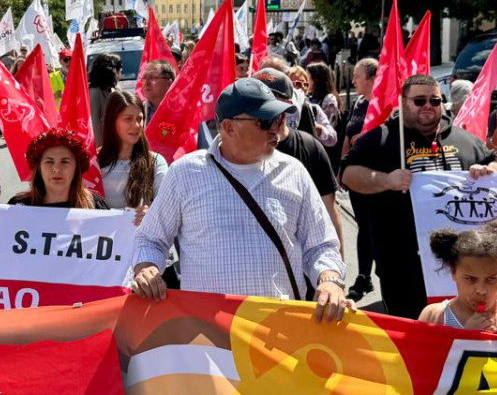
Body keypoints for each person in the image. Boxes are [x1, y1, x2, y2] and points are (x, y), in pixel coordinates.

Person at [131, 79, 349, 321]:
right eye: (265, 121)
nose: (276, 129)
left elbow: (321, 246)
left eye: (279, 118)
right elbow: (150, 239)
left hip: (279, 329)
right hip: (209, 333)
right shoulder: (185, 173)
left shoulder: (294, 172)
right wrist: (146, 267)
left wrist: (329, 279)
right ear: (229, 127)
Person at [342, 74, 497, 317]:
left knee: (461, 328)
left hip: (460, 264)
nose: (428, 106)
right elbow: (348, 174)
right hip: (402, 265)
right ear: (403, 102)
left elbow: (493, 163)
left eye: (435, 101)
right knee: (412, 330)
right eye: (419, 101)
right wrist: (386, 180)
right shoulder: (380, 139)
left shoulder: (464, 139)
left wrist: (487, 172)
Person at [255, 70, 344, 252]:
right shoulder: (240, 149)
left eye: (269, 98)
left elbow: (330, 213)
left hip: (303, 260)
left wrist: (338, 265)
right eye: (255, 98)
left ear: (287, 105)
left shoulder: (310, 148)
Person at [419, 219, 497, 335]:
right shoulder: (435, 316)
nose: (481, 290)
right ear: (453, 272)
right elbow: (421, 350)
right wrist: (467, 337)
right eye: (470, 279)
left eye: (491, 279)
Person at [342, 58, 379, 301]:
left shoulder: (385, 104)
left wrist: (366, 139)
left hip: (376, 175)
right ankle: (364, 276)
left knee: (375, 227)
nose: (353, 81)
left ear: (372, 79)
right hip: (356, 174)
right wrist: (342, 166)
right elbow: (348, 134)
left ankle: (380, 274)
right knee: (363, 227)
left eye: (357, 76)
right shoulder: (359, 103)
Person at [97, 92, 168, 216]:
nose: (136, 125)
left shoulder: (155, 162)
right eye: (128, 119)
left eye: (140, 119)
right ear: (112, 121)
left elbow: (166, 206)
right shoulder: (93, 162)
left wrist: (151, 213)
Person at [8, 129, 108, 208]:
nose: (56, 169)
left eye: (65, 161)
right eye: (49, 161)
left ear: (77, 168)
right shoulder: (18, 207)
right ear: (38, 168)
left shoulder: (95, 206)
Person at [88, 53, 122, 144]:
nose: (120, 73)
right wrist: (100, 147)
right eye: (118, 69)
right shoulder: (94, 92)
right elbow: (95, 123)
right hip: (103, 145)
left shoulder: (115, 89)